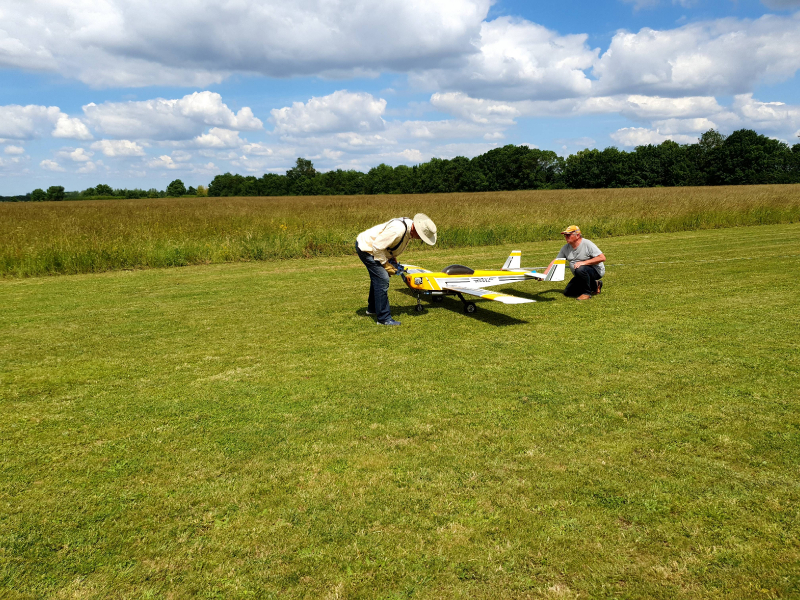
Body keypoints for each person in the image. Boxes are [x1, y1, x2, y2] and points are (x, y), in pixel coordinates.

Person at [356, 214, 437, 325]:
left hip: (376, 249)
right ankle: (384, 319)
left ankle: (373, 309)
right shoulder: (397, 230)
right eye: (422, 237)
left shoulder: (408, 228)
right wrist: (386, 265)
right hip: (367, 248)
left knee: (378, 278)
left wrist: (392, 259)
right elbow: (377, 247)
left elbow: (391, 245)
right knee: (382, 279)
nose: (420, 239)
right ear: (417, 231)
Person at [556, 225, 606, 301]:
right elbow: (556, 262)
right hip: (580, 275)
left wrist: (584, 263)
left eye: (568, 235)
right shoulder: (565, 248)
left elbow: (602, 258)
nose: (566, 237)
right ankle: (595, 285)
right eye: (565, 235)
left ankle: (586, 293)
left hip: (596, 271)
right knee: (568, 293)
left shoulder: (587, 244)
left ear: (578, 235)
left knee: (580, 269)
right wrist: (545, 275)